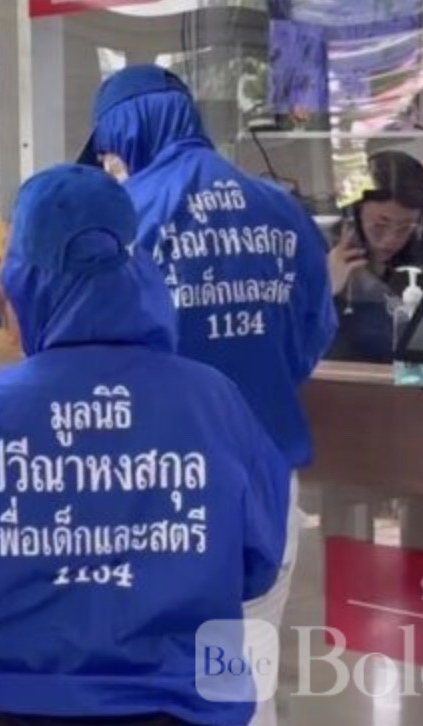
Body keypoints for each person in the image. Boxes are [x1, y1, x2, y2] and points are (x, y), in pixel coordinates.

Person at [0, 163, 289, 726]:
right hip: (182, 702)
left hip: (15, 700)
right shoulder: (214, 401)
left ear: (25, 279)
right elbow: (259, 561)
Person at [82, 64, 335, 726]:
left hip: (157, 485)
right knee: (240, 668)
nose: (110, 162)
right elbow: (312, 334)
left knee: (152, 681)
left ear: (129, 130)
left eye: (110, 145)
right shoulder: (281, 210)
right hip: (264, 476)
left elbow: (92, 353)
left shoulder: (123, 217)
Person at [326, 150, 423, 363]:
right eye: (379, 225)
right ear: (354, 213)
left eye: (405, 227)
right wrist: (325, 289)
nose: (390, 239)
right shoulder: (320, 258)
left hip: (414, 382)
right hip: (335, 381)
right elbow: (292, 341)